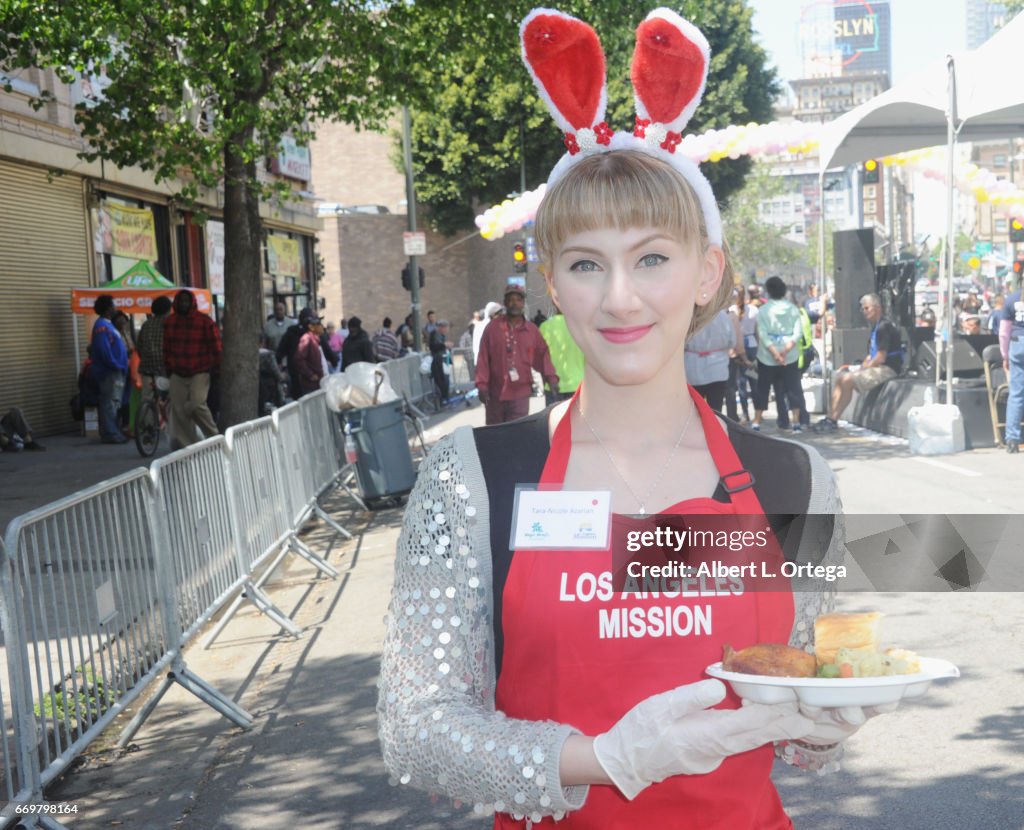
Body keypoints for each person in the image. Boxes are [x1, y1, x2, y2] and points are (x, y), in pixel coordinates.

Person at [379, 10, 874, 828]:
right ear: (552, 281)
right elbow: (417, 731)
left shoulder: (794, 478)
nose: (619, 298)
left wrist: (825, 725)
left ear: (707, 272)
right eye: (585, 264)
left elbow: (803, 706)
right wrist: (607, 759)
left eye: (652, 258)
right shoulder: (474, 479)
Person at [814, 292, 903, 433]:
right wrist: (859, 366)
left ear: (877, 308)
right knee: (839, 377)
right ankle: (830, 417)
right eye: (863, 309)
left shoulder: (883, 328)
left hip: (888, 368)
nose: (864, 312)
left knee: (848, 380)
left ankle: (833, 419)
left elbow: (880, 357)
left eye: (867, 308)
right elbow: (872, 354)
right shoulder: (876, 327)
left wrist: (863, 369)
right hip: (878, 366)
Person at [474, 279, 559, 425]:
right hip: (495, 393)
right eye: (511, 300)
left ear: (523, 303)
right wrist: (482, 385)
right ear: (505, 302)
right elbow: (483, 358)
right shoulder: (493, 328)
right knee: (495, 433)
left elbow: (542, 355)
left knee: (517, 432)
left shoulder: (532, 330)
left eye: (518, 300)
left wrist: (550, 378)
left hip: (520, 392)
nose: (515, 303)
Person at [163, 289, 221, 448]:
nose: (183, 304)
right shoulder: (170, 322)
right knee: (178, 410)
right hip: (177, 371)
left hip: (199, 370)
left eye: (186, 301)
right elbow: (166, 347)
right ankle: (188, 445)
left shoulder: (205, 322)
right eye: (180, 301)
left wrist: (217, 368)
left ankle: (214, 437)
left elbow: (216, 347)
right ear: (176, 303)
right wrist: (168, 368)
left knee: (196, 404)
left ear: (192, 303)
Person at [752, 277, 807, 432]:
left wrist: (775, 352)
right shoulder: (793, 309)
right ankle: (796, 421)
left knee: (763, 388)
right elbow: (798, 333)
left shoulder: (763, 310)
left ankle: (756, 421)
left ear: (768, 291)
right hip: (789, 357)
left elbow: (762, 333)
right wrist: (785, 351)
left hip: (767, 356)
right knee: (793, 388)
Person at [684, 308, 741, 413]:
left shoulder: (690, 315)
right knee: (716, 408)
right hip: (718, 368)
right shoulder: (723, 316)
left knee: (695, 409)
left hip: (693, 368)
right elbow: (732, 341)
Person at [89, 294, 129, 443]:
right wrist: (116, 365)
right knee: (109, 403)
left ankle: (112, 431)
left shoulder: (107, 325)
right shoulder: (102, 327)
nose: (115, 308)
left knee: (113, 402)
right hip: (109, 372)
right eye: (113, 305)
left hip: (115, 370)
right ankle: (110, 434)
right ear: (107, 308)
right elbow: (103, 350)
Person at [540, 310, 585, 405]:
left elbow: (540, 356)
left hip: (552, 384)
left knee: (555, 418)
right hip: (578, 383)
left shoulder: (545, 326)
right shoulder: (582, 326)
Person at [999, 281, 1024, 452]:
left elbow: (1003, 332)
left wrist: (1005, 355)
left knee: (1016, 393)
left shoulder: (1012, 299)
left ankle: (1012, 440)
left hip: (1017, 344)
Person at [727, 286, 758, 423]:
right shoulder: (754, 310)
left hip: (737, 348)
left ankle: (745, 413)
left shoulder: (731, 311)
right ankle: (758, 412)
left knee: (741, 384)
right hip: (752, 346)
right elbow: (758, 332)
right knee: (754, 380)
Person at [137, 295, 172, 402]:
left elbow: (139, 347)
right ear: (169, 309)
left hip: (147, 369)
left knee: (147, 400)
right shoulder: (170, 323)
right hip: (165, 368)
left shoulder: (146, 324)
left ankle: (148, 416)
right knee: (169, 400)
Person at [294, 312, 327, 396]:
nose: (322, 326)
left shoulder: (316, 339)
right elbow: (299, 359)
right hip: (310, 385)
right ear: (311, 327)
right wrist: (310, 374)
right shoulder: (307, 339)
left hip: (318, 383)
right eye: (319, 324)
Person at [428, 319, 451, 403]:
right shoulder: (435, 334)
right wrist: (444, 345)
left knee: (444, 379)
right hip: (438, 360)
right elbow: (434, 346)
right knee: (441, 380)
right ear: (441, 327)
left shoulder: (439, 335)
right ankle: (443, 398)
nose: (446, 330)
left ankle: (445, 397)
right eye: (445, 328)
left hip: (440, 359)